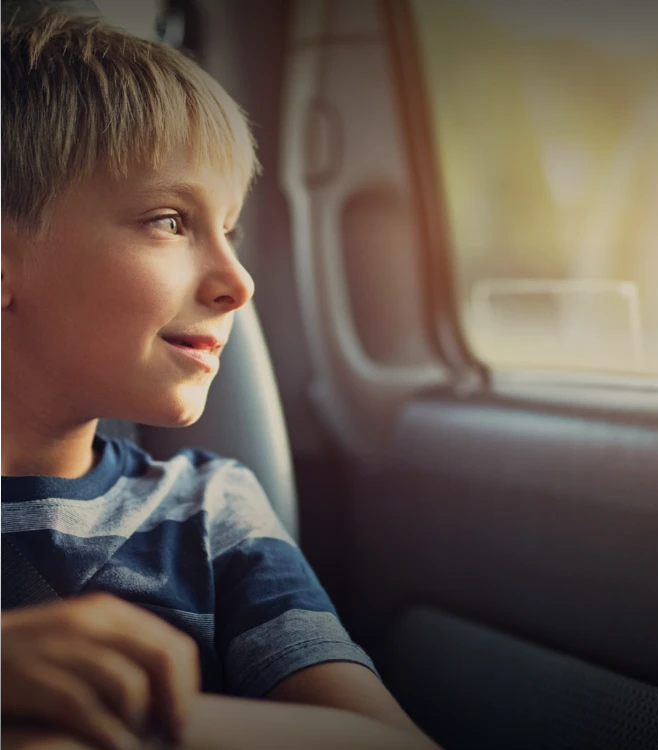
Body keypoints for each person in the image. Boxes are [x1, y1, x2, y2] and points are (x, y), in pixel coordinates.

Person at [0, 7, 438, 750]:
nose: (237, 282)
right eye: (169, 220)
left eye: (228, 229)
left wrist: (109, 718)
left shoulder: (210, 515)